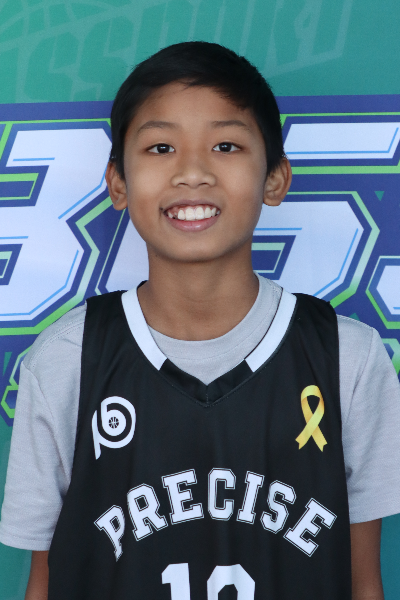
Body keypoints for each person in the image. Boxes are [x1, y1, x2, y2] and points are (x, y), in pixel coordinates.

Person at [1, 41, 400, 600]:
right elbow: (46, 579)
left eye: (226, 145)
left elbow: (363, 581)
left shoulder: (346, 358)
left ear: (275, 178)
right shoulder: (67, 360)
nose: (192, 172)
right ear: (118, 182)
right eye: (161, 147)